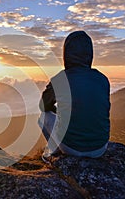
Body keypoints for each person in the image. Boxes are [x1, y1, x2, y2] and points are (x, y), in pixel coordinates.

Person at [38, 31, 110, 159]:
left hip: (70, 148)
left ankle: (53, 153)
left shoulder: (60, 79)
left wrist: (58, 110)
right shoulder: (102, 79)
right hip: (100, 148)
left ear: (66, 54)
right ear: (90, 54)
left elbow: (43, 106)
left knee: (43, 117)